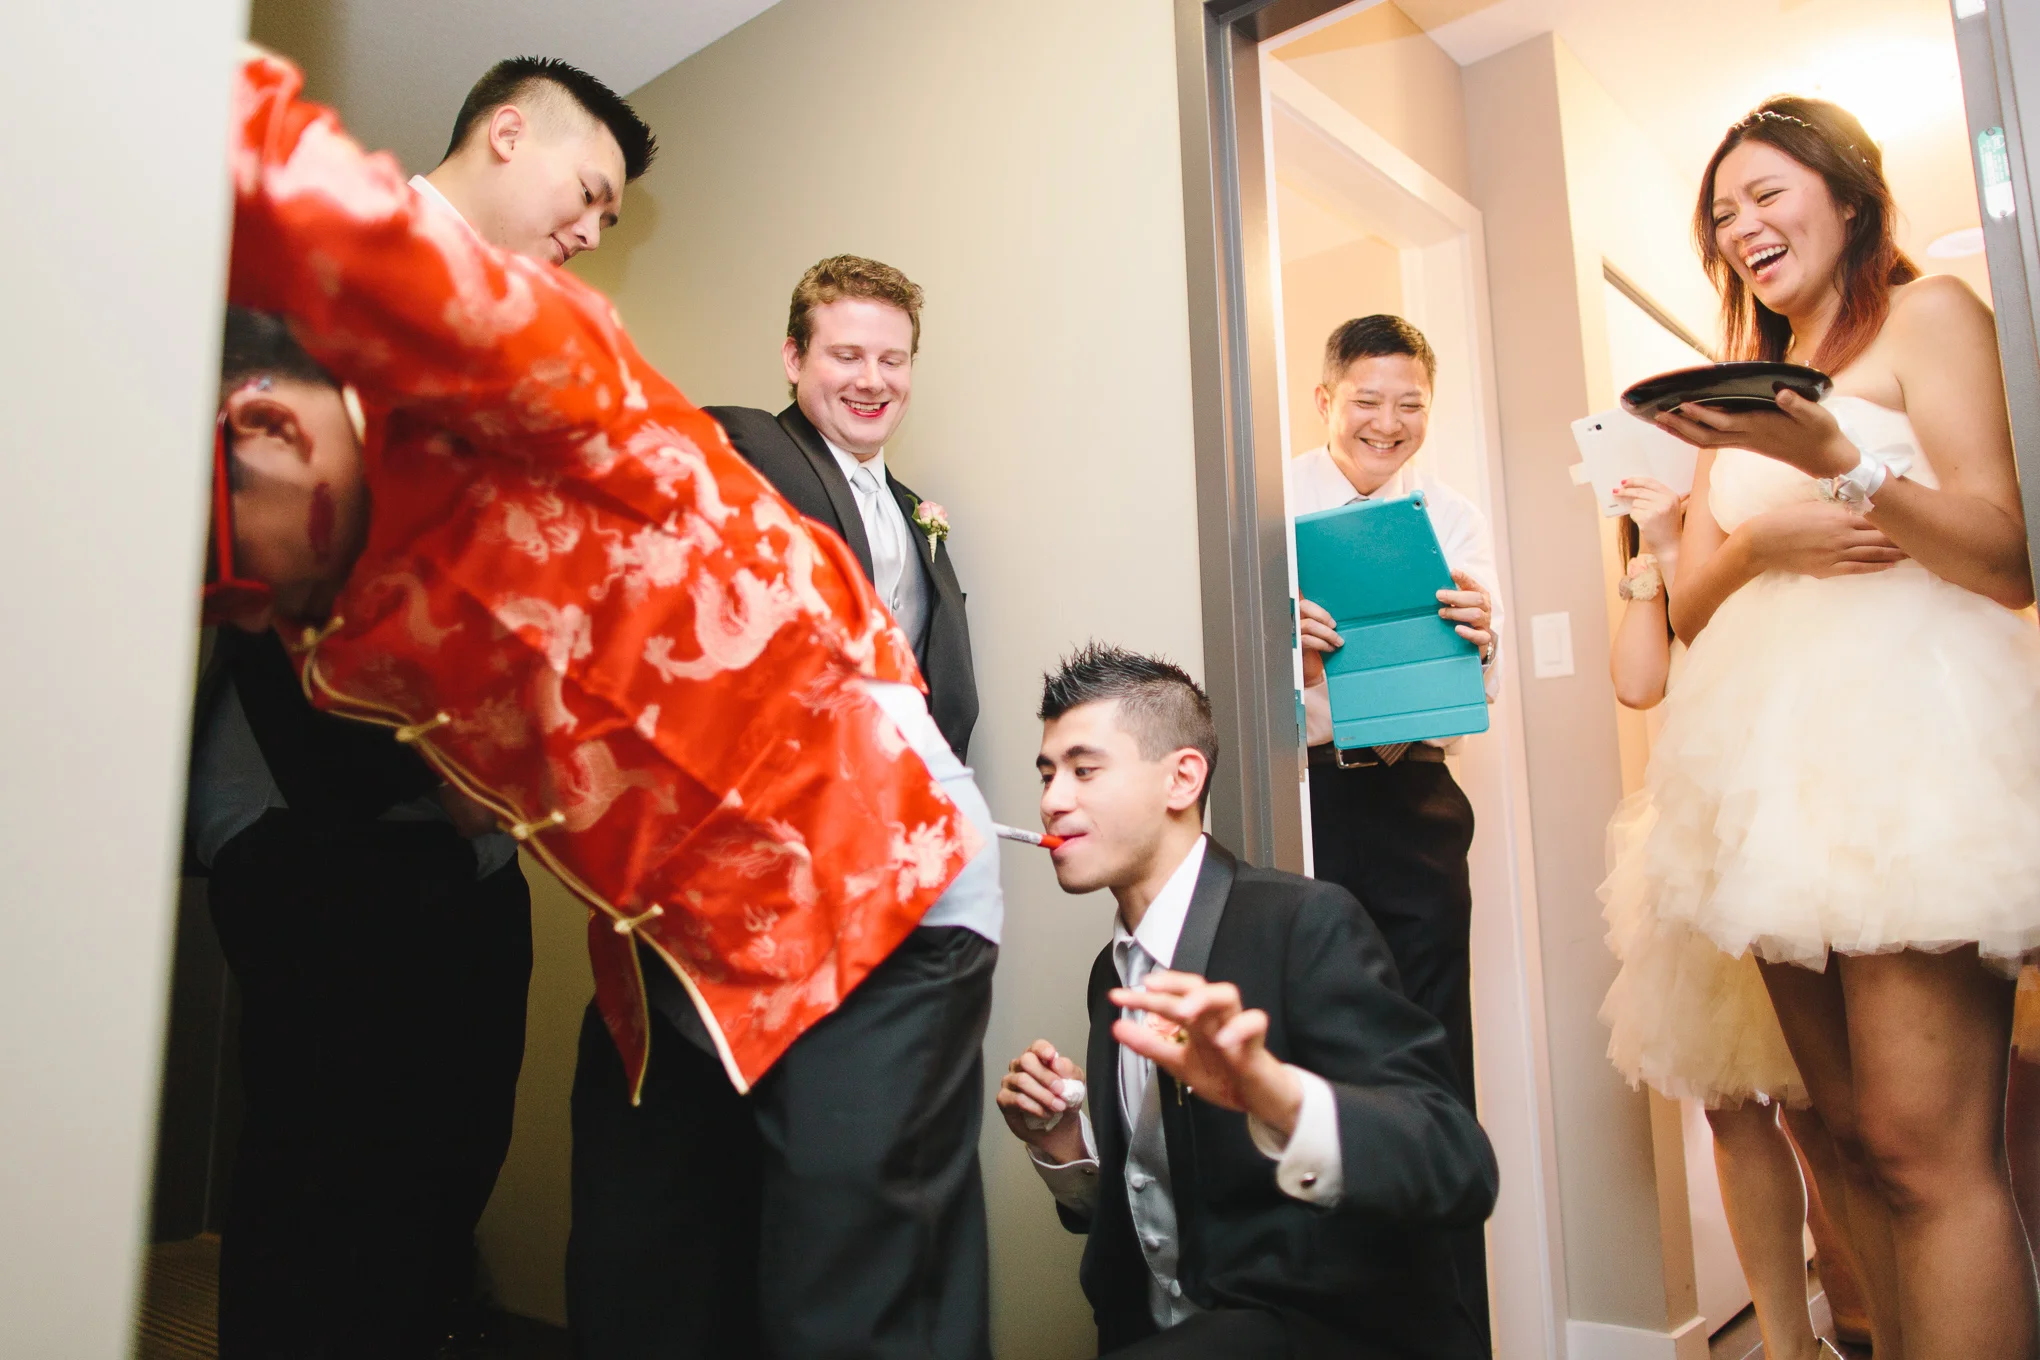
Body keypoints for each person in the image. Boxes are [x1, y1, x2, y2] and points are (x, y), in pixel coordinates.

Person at [212, 50, 1003, 1358]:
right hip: (660, 925)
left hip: (869, 881)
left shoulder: (527, 344)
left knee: (842, 1310)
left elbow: (278, 161)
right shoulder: (348, 601)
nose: (591, 229)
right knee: (639, 1273)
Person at [186, 55, 656, 1358]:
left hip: (470, 856)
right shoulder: (323, 269)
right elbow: (273, 546)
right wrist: (420, 776)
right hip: (318, 821)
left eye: (612, 215)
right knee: (322, 1191)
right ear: (507, 133)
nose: (593, 228)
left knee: (442, 1179)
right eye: (589, 191)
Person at [1647, 96, 2040, 1358]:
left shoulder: (1931, 316)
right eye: (1723, 214)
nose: (1743, 228)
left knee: (1930, 1152)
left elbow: (2007, 555)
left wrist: (1847, 462)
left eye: (1767, 195)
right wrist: (1765, 535)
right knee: (1850, 1142)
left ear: (1852, 197)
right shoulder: (1735, 382)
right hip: (1769, 783)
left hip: (1909, 754)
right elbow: (1693, 605)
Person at [998, 644, 1497, 1359]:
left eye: (1084, 770)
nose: (1052, 800)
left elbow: (1458, 1164)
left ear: (1182, 778)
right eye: (1047, 774)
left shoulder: (1304, 923)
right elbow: (1158, 1207)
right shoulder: (1109, 977)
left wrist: (1277, 1097)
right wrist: (1065, 1150)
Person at [1595, 476, 1863, 1360]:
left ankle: (1875, 1322)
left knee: (1833, 1109)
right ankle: (1790, 1346)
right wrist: (1656, 548)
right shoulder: (1662, 544)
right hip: (1698, 841)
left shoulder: (1775, 505)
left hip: (1802, 820)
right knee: (1733, 1106)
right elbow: (1639, 682)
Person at [1289, 313, 1500, 1338]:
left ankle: (1446, 1322)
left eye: (1409, 404)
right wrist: (1282, 643)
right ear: (1324, 399)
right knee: (1314, 1049)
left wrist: (1481, 638)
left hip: (1416, 801)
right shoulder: (1269, 506)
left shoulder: (1452, 517)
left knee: (1432, 1056)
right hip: (1307, 799)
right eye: (1366, 401)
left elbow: (1474, 690)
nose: (1387, 422)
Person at [705, 256, 978, 759]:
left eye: (892, 361)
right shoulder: (746, 448)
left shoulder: (912, 511)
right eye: (848, 356)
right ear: (794, 359)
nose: (873, 381)